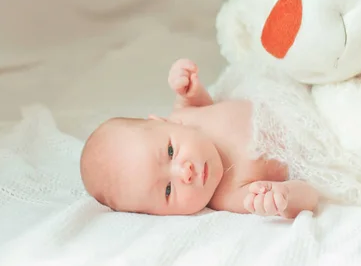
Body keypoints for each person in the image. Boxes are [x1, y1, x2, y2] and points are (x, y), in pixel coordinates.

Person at [79, 58, 320, 219]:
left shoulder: (185, 116)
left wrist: (189, 89)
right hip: (318, 131)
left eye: (171, 152)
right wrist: (284, 198)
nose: (185, 173)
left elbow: (200, 104)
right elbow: (310, 194)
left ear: (164, 122)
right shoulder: (229, 195)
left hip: (292, 85)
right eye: (167, 190)